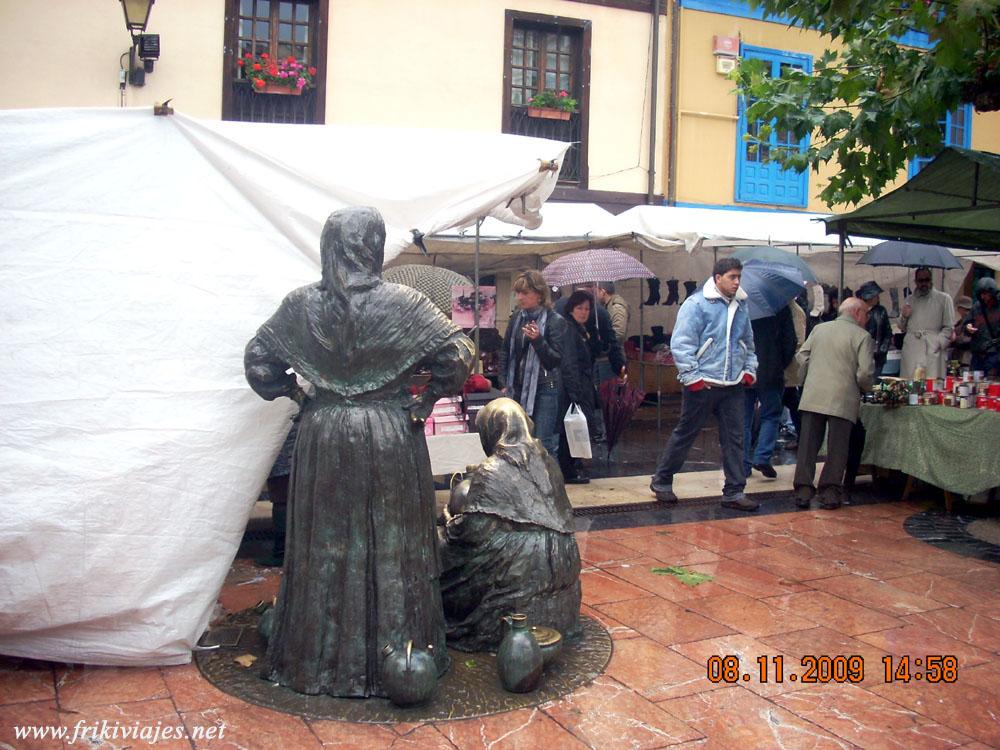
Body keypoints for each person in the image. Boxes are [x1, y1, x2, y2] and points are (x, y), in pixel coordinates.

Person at [244, 207, 474, 697]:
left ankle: (314, 659)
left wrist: (300, 395)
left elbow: (258, 363)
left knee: (324, 543)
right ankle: (402, 656)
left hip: (324, 432)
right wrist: (426, 401)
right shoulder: (406, 304)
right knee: (396, 545)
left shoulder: (301, 305)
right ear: (372, 247)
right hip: (390, 431)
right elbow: (459, 356)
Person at [438, 398, 582, 652]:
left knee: (438, 549)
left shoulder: (492, 469)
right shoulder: (547, 461)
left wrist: (450, 521)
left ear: (493, 431)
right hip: (563, 553)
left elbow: (473, 531)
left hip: (523, 558)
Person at [649, 258, 759, 511]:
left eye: (738, 277)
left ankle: (734, 491)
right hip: (703, 384)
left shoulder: (741, 305)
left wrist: (749, 370)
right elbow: (682, 343)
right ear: (718, 277)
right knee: (686, 434)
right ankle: (662, 480)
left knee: (735, 438)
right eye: (732, 277)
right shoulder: (696, 304)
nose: (737, 282)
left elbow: (748, 342)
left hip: (732, 384)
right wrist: (693, 378)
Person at [793, 297, 875, 510]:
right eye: (866, 314)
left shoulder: (820, 329)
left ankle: (803, 490)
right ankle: (829, 492)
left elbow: (801, 354)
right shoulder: (863, 336)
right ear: (856, 313)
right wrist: (866, 387)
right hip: (843, 397)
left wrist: (814, 371)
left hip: (813, 395)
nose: (867, 318)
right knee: (837, 448)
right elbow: (865, 373)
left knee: (807, 446)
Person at [498, 270, 566, 456]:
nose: (520, 298)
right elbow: (505, 351)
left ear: (539, 294)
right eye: (518, 293)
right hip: (517, 388)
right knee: (519, 442)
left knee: (543, 444)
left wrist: (538, 340)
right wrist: (503, 382)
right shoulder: (516, 318)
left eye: (525, 293)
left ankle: (549, 484)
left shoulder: (554, 320)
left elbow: (555, 360)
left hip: (545, 388)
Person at [744, 306, 797, 479]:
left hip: (744, 372)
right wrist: (780, 363)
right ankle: (762, 456)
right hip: (771, 371)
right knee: (771, 415)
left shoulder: (740, 305)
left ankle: (742, 464)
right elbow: (790, 340)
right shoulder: (779, 306)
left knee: (743, 419)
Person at [557, 290, 600, 484]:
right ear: (571, 309)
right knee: (572, 429)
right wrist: (575, 392)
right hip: (574, 387)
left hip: (582, 385)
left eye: (587, 309)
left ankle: (573, 467)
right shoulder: (569, 329)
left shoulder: (582, 329)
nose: (583, 312)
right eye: (579, 308)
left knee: (577, 427)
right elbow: (570, 362)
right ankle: (569, 470)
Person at [899, 266, 954, 379]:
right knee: (910, 385)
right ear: (915, 282)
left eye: (927, 280)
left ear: (931, 280)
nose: (924, 283)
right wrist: (904, 316)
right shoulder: (909, 300)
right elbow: (901, 327)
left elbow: (949, 327)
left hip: (932, 350)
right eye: (920, 280)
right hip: (912, 350)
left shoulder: (944, 299)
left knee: (932, 385)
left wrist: (937, 342)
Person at [780, 298, 808, 448]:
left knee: (779, 402)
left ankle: (804, 437)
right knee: (791, 401)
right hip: (786, 366)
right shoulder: (787, 309)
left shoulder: (795, 311)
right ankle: (803, 437)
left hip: (788, 366)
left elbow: (797, 340)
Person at [963, 277, 1000, 375]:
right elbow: (966, 324)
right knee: (974, 385)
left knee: (993, 385)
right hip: (977, 355)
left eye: (985, 294)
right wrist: (968, 327)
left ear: (992, 293)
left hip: (994, 356)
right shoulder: (977, 307)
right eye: (981, 294)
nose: (983, 297)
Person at [856, 281, 892, 377]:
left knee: (874, 382)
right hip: (862, 354)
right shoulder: (859, 311)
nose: (878, 298)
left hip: (878, 356)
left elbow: (888, 332)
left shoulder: (881, 311)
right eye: (876, 295)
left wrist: (883, 348)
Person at [950, 294, 974, 367]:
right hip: (957, 357)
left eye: (959, 307)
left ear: (963, 308)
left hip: (966, 358)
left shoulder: (971, 320)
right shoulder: (961, 321)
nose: (957, 310)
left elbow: (967, 339)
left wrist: (954, 339)